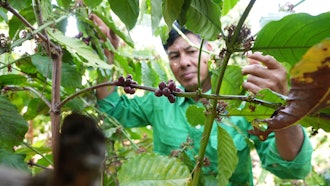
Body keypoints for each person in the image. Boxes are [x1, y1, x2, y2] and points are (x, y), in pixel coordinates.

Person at [91, 15, 313, 185]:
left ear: (208, 50)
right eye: (175, 56)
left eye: (191, 51)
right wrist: (105, 57)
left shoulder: (244, 99)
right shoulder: (160, 101)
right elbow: (114, 109)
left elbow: (292, 169)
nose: (185, 62)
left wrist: (283, 108)